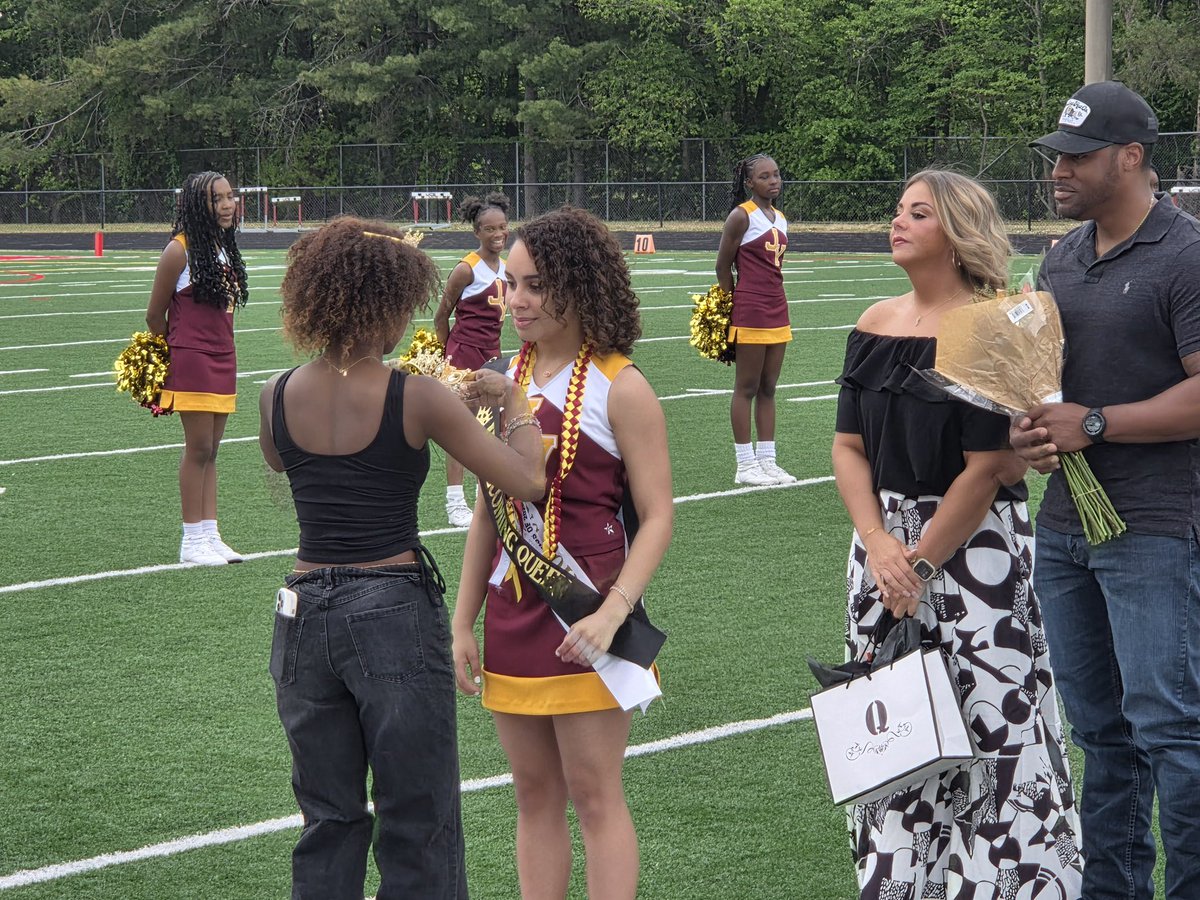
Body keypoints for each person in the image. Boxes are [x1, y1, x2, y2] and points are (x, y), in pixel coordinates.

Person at [258, 216, 546, 900]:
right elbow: (526, 480)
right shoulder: (413, 396)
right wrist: (514, 402)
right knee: (418, 818)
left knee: (326, 817)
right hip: (390, 609)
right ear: (383, 302)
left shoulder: (273, 394)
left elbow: (286, 461)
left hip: (300, 617)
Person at [833, 169, 1083, 899]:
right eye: (897, 210)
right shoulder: (874, 322)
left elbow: (989, 468)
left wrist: (917, 559)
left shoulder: (993, 326)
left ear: (957, 232)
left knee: (993, 731)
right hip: (880, 557)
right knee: (897, 737)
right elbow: (848, 449)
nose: (897, 222)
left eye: (919, 213)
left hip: (977, 560)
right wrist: (880, 545)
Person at [1013, 81, 1200, 900]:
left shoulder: (1188, 255)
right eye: (1057, 155)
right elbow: (1057, 390)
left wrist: (1091, 426)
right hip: (1066, 529)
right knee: (1101, 733)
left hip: (1157, 528)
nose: (1061, 170)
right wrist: (1034, 428)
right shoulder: (1060, 255)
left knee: (1172, 734)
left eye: (1078, 157)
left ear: (1132, 157)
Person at [451, 207, 672, 900]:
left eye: (536, 285)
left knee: (594, 794)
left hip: (590, 610)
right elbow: (491, 508)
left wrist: (614, 614)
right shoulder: (495, 378)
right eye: (511, 284)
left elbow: (661, 514)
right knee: (533, 794)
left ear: (579, 285)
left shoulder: (622, 385)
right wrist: (461, 621)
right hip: (510, 612)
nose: (516, 300)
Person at [145, 170, 249, 566]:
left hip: (223, 354)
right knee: (198, 447)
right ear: (196, 205)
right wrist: (176, 350)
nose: (226, 205)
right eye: (216, 199)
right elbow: (155, 314)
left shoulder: (222, 247)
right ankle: (191, 538)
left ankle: (210, 532)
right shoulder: (179, 250)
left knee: (213, 450)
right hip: (191, 357)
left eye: (229, 197)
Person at [716, 153, 797, 487]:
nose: (773, 181)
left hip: (778, 305)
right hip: (749, 307)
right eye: (765, 177)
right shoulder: (741, 216)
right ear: (749, 182)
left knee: (768, 387)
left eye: (776, 175)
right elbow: (723, 265)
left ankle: (768, 460)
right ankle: (744, 464)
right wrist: (728, 305)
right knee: (746, 387)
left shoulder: (780, 217)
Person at [433, 192, 511, 527]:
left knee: (491, 428)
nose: (498, 234)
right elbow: (441, 316)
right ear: (477, 232)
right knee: (461, 430)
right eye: (490, 229)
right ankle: (454, 503)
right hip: (462, 355)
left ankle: (485, 498)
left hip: (492, 356)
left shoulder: (507, 269)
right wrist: (444, 357)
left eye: (503, 227)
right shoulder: (467, 269)